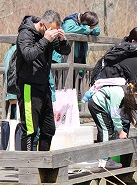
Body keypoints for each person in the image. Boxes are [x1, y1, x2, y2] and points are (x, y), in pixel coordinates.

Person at [16, 10, 71, 151]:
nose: (53, 35)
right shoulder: (25, 34)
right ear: (42, 24)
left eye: (56, 32)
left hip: (43, 85)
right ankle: (27, 169)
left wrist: (63, 40)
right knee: (30, 129)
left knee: (49, 128)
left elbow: (64, 51)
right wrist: (45, 39)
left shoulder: (49, 35)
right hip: (28, 86)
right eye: (52, 31)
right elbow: (28, 55)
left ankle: (44, 166)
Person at [88, 80, 137, 168]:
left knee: (108, 130)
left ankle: (104, 159)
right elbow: (115, 114)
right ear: (136, 94)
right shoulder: (120, 93)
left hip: (106, 108)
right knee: (106, 130)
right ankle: (104, 161)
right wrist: (120, 131)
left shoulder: (133, 99)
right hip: (97, 104)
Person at [52, 11, 100, 106]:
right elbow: (67, 29)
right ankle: (59, 111)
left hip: (77, 59)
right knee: (60, 87)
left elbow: (97, 30)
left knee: (76, 87)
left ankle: (77, 113)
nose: (91, 28)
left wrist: (90, 30)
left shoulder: (83, 26)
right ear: (86, 23)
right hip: (63, 59)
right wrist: (86, 30)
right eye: (90, 26)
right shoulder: (71, 20)